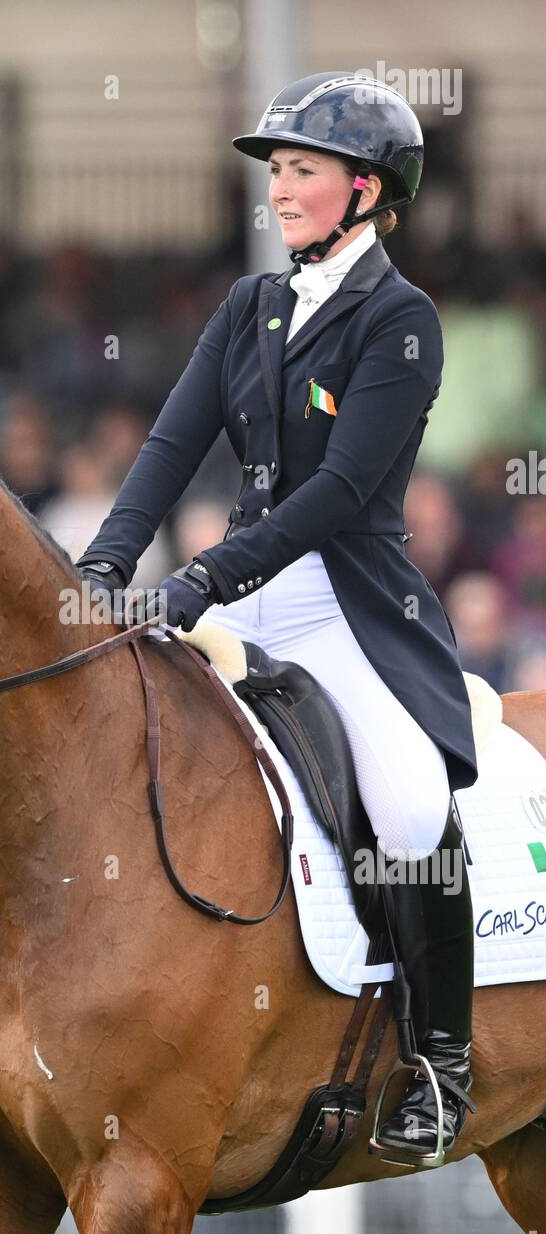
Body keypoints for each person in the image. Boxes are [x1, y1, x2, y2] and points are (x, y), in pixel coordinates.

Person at [76, 71, 479, 1165]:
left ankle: (441, 1066)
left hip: (344, 606)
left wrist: (201, 577)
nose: (280, 190)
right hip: (241, 592)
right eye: (276, 172)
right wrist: (106, 557)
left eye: (300, 171)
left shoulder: (400, 321)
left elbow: (340, 494)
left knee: (402, 809)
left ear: (364, 187)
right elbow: (170, 443)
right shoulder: (249, 307)